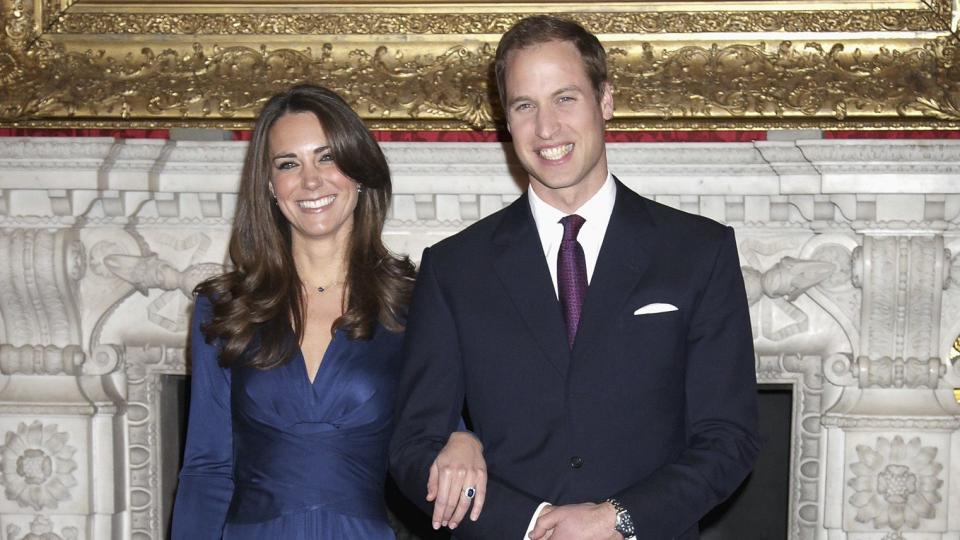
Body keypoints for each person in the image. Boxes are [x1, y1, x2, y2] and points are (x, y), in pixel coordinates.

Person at [389, 15, 760, 540]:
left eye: (565, 98)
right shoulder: (454, 267)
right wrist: (530, 520)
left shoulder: (699, 252)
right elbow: (412, 446)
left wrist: (618, 518)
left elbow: (729, 437)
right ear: (506, 121)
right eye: (525, 106)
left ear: (604, 101)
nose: (546, 129)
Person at [170, 84, 485, 539]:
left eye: (327, 157)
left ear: (358, 171)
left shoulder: (414, 305)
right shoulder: (224, 309)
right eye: (288, 164)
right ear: (270, 187)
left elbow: (441, 431)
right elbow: (207, 468)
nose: (311, 180)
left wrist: (466, 439)